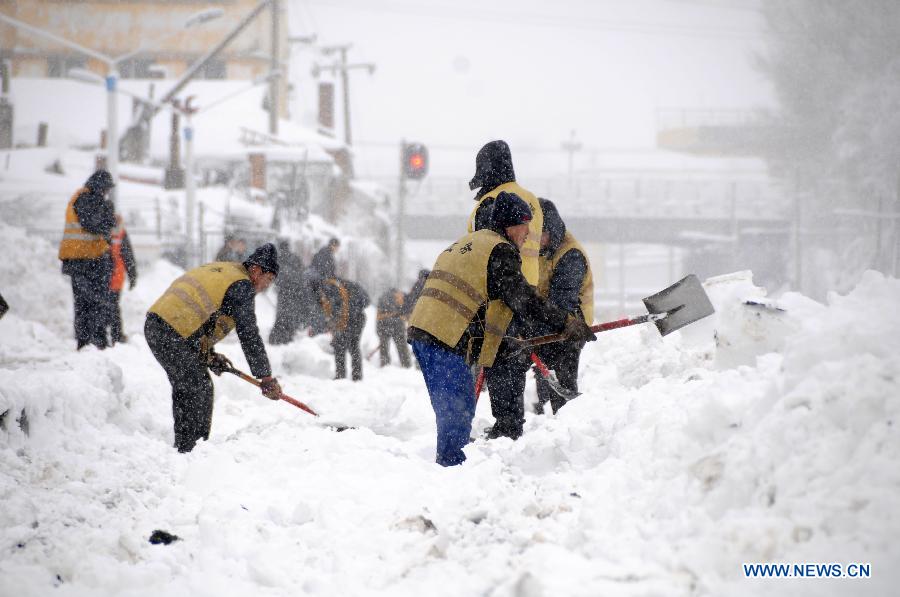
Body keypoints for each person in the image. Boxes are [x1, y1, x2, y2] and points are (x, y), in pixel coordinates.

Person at [407, 192, 596, 466]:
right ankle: (450, 474)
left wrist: (507, 340)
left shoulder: (470, 242)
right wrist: (566, 322)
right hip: (443, 337)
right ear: (510, 225)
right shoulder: (500, 250)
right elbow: (523, 300)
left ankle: (450, 468)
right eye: (525, 225)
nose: (528, 233)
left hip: (426, 331)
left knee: (455, 410)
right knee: (457, 413)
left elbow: (487, 304)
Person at [145, 243, 283, 453]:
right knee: (198, 387)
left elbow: (203, 319)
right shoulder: (241, 285)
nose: (267, 286)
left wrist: (208, 356)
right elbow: (248, 333)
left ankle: (186, 448)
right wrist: (265, 377)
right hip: (172, 329)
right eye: (269, 279)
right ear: (256, 270)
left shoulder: (227, 272)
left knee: (189, 386)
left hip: (160, 325)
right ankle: (194, 451)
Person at [467, 141, 544, 440]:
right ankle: (510, 422)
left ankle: (507, 426)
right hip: (528, 287)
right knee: (512, 356)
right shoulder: (530, 199)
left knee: (500, 357)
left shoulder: (492, 202)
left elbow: (487, 248)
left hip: (501, 289)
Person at [533, 198, 594, 414]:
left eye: (542, 234)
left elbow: (562, 303)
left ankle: (568, 420)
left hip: (572, 324)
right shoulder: (539, 250)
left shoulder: (570, 254)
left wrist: (533, 329)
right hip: (546, 318)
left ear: (553, 229)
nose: (537, 240)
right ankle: (543, 413)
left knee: (562, 374)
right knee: (544, 375)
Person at [58, 169, 117, 350]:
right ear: (100, 187)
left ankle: (88, 342)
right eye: (106, 189)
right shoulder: (87, 199)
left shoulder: (84, 198)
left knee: (87, 303)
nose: (107, 193)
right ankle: (93, 342)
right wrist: (108, 211)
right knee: (93, 302)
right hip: (87, 262)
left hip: (85, 261)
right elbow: (96, 224)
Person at [317, 276, 369, 381]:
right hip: (359, 317)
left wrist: (335, 326)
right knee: (354, 345)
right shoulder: (341, 284)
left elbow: (336, 309)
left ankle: (340, 376)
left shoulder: (329, 287)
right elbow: (366, 302)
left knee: (339, 346)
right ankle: (357, 376)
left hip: (349, 319)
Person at [107, 214, 138, 344]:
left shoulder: (101, 231)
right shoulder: (121, 233)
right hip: (115, 277)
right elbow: (128, 256)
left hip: (103, 277)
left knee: (104, 307)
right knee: (113, 307)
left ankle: (103, 335)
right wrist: (132, 276)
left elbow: (128, 255)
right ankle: (116, 335)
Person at [268, 239, 306, 345]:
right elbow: (301, 272)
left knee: (281, 314)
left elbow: (274, 275)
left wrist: (277, 284)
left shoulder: (277, 259)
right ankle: (288, 335)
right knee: (291, 313)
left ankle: (278, 337)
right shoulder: (295, 258)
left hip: (284, 291)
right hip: (295, 291)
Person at [375, 288, 411, 368]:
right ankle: (406, 365)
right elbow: (406, 315)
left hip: (384, 326)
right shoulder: (400, 299)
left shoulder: (383, 298)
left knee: (385, 346)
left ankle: (385, 364)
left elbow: (378, 316)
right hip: (391, 325)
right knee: (401, 346)